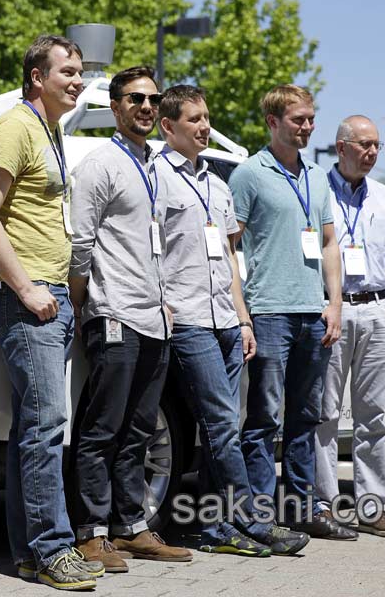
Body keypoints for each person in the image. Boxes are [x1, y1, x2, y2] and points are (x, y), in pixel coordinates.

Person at [0, 34, 104, 590]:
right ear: (35, 78)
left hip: (50, 298)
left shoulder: (48, 130)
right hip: (27, 302)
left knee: (32, 427)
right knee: (47, 428)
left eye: (79, 71)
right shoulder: (14, 128)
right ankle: (54, 551)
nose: (78, 80)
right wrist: (26, 288)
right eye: (67, 71)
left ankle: (29, 552)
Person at [153, 84, 311, 556]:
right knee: (222, 422)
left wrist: (242, 320)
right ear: (168, 126)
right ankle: (254, 520)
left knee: (222, 425)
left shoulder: (216, 184)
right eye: (194, 120)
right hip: (188, 319)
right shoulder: (156, 178)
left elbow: (227, 257)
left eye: (206, 118)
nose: (204, 127)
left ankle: (218, 529)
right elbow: (148, 251)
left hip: (225, 317)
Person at [69, 66, 192, 572]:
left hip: (155, 320)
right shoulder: (100, 164)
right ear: (115, 106)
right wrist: (82, 305)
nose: (146, 106)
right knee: (103, 428)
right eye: (135, 98)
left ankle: (132, 527)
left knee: (140, 429)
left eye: (153, 99)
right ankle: (92, 533)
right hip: (114, 312)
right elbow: (80, 244)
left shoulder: (157, 166)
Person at [228, 84, 357, 540]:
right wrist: (242, 312)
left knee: (305, 418)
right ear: (273, 122)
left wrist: (334, 302)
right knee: (263, 419)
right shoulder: (249, 174)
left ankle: (304, 511)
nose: (307, 127)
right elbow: (229, 246)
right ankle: (260, 518)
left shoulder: (317, 177)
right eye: (298, 120)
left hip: (313, 315)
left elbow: (328, 244)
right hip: (269, 313)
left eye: (310, 118)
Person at [315, 115, 385, 537]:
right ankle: (324, 504)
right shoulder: (317, 189)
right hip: (333, 309)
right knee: (325, 413)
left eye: (377, 146)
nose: (372, 153)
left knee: (373, 416)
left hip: (377, 310)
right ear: (341, 147)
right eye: (364, 145)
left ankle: (374, 507)